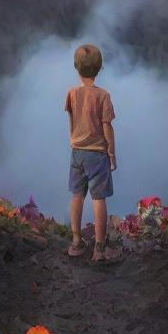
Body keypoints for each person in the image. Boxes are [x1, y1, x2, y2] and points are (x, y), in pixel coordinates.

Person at [65, 43, 120, 263]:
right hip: (97, 153)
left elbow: (71, 120)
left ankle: (76, 242)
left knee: (77, 195)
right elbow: (107, 126)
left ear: (76, 68)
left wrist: (74, 140)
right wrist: (112, 153)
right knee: (99, 199)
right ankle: (99, 247)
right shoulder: (103, 96)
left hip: (77, 151)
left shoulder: (71, 94)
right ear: (99, 69)